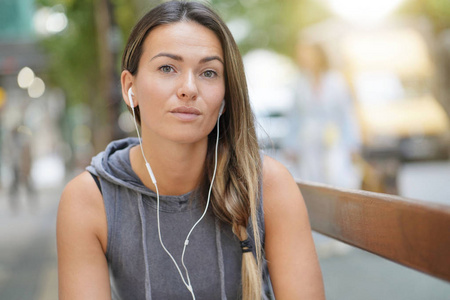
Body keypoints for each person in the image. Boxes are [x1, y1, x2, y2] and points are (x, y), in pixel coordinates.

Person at [57, 1, 324, 299]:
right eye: (167, 68)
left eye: (208, 73)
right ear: (129, 87)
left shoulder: (269, 185)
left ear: (225, 98)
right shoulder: (89, 199)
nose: (188, 88)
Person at [285, 42, 362, 189]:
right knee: (311, 181)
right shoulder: (300, 83)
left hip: (333, 140)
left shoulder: (336, 81)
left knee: (337, 178)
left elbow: (346, 114)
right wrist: (291, 146)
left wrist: (352, 143)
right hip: (307, 142)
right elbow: (294, 117)